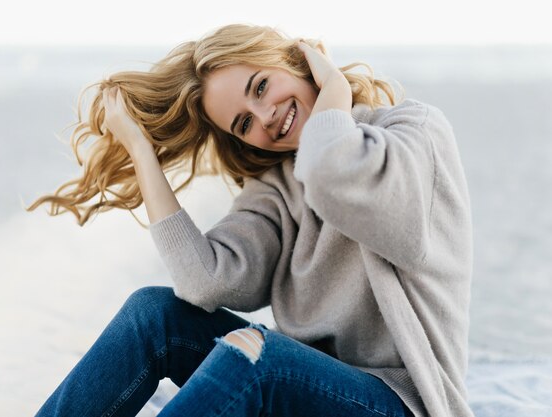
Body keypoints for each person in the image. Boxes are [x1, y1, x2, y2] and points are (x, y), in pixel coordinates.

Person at [28, 24, 474, 417]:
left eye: (260, 87)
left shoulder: (414, 133)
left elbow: (334, 175)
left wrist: (334, 93)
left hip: (404, 404)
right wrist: (142, 153)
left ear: (298, 60)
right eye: (243, 123)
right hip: (301, 388)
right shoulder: (276, 187)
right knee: (153, 313)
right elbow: (204, 282)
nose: (266, 117)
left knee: (254, 355)